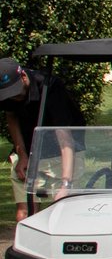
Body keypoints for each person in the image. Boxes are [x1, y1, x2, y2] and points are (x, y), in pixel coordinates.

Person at [1, 56, 83, 225]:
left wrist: (66, 183)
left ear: (23, 76)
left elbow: (65, 137)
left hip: (63, 152)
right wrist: (22, 154)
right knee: (24, 214)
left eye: (16, 91)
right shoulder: (7, 92)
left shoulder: (50, 87)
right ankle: (25, 249)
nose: (14, 97)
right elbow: (12, 117)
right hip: (30, 151)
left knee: (62, 212)